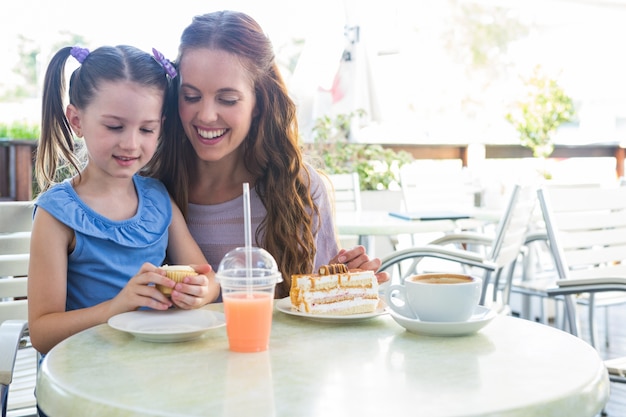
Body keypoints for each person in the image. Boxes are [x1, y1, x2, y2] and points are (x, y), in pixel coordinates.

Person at [144, 10, 389, 299]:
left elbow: (316, 304)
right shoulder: (147, 188)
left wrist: (340, 283)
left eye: (227, 99)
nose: (206, 115)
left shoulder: (300, 189)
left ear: (258, 103)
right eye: (191, 97)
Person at [28, 45, 220, 355]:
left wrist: (200, 292)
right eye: (114, 126)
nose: (131, 143)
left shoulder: (159, 199)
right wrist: (116, 308)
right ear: (76, 120)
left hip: (154, 369)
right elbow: (42, 332)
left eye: (146, 129)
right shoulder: (56, 215)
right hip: (83, 380)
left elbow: (207, 277)